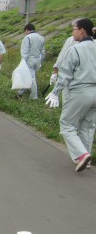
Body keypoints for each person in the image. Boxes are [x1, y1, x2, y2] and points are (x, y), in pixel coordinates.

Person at [45, 18, 95, 172]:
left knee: (67, 125)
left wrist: (55, 92)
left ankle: (81, 155)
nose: (72, 32)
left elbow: (65, 74)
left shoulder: (75, 49)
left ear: (81, 30)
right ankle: (86, 159)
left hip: (80, 91)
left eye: (74, 28)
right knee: (87, 126)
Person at [17, 23, 45, 99]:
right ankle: (20, 93)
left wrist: (23, 62)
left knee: (32, 78)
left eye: (25, 31)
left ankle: (34, 97)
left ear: (27, 30)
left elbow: (24, 51)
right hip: (37, 60)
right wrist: (41, 61)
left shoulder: (27, 38)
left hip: (29, 60)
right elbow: (43, 52)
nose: (25, 33)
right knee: (29, 76)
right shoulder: (41, 38)